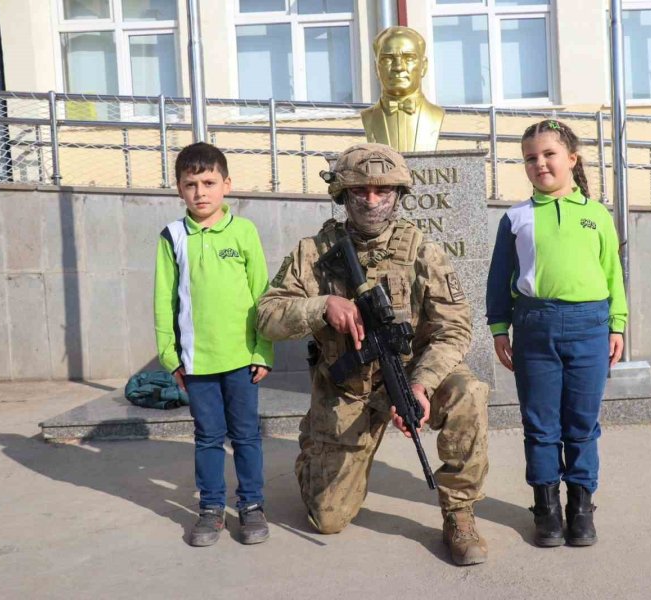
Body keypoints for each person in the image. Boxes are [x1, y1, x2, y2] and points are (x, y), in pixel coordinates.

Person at [256, 143, 490, 566]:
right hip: (348, 387)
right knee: (327, 518)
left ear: (398, 195)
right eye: (360, 190)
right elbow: (267, 315)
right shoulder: (313, 253)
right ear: (342, 194)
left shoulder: (423, 251)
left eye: (383, 190)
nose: (371, 199)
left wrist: (421, 386)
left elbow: (454, 329)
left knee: (469, 392)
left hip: (409, 374)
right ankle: (316, 446)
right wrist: (322, 306)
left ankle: (460, 513)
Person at [486, 119, 628, 548]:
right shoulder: (516, 218)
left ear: (571, 158)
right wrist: (499, 328)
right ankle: (546, 509)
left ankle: (580, 509)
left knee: (581, 423)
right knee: (540, 424)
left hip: (590, 327)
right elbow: (499, 278)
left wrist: (617, 323)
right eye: (530, 158)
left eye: (549, 154)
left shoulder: (596, 215)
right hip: (535, 327)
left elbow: (612, 273)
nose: (540, 163)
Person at [154, 142, 274, 547]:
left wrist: (263, 351)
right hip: (197, 363)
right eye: (191, 184)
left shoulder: (244, 231)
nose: (200, 192)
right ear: (179, 189)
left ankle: (252, 505)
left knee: (246, 436)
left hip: (241, 359)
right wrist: (171, 357)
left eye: (208, 183)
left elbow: (262, 295)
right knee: (207, 437)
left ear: (226, 184)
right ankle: (210, 508)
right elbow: (163, 301)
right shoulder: (172, 237)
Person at [361, 26, 445, 152]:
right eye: (387, 59)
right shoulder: (367, 118)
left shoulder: (438, 116)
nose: (399, 67)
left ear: (424, 66)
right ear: (376, 67)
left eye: (409, 58)